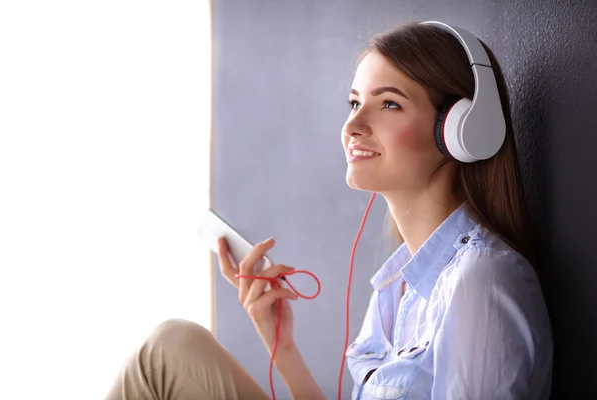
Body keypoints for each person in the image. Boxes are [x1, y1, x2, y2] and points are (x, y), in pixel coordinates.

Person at [105, 21, 553, 400]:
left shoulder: (480, 281)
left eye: (389, 104)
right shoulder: (398, 288)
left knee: (163, 354)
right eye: (355, 102)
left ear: (460, 132)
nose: (352, 126)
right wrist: (280, 342)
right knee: (173, 345)